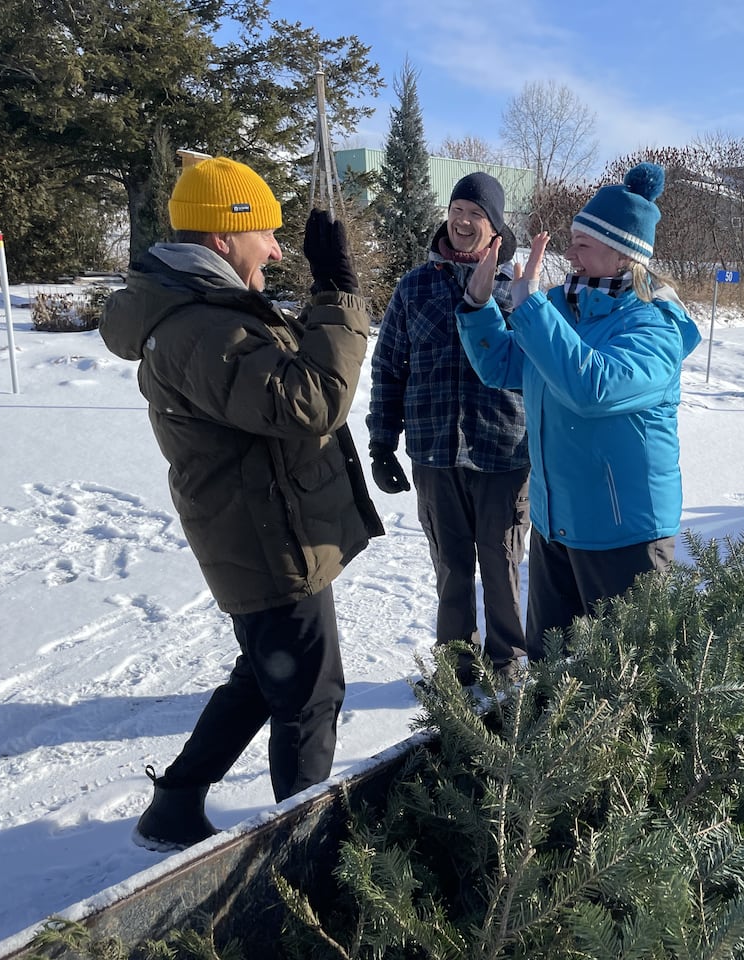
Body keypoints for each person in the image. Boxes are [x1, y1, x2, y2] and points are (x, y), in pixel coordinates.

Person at [99, 156, 383, 851]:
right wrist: (340, 295)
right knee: (309, 701)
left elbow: (287, 379)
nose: (277, 249)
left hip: (258, 532)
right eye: (265, 232)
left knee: (265, 676)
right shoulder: (199, 327)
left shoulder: (206, 308)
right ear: (223, 238)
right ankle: (309, 858)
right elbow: (309, 400)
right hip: (267, 543)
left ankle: (174, 808)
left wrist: (325, 296)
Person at [456, 162, 701, 662]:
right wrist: (479, 305)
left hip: (624, 535)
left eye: (584, 244)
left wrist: (532, 312)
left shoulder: (654, 328)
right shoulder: (563, 306)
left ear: (623, 255)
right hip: (556, 526)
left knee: (627, 682)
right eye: (571, 240)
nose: (570, 253)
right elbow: (505, 366)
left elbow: (593, 388)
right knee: (555, 682)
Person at [368, 172, 529, 686]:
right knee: (452, 571)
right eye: (457, 208)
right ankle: (458, 669)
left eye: (476, 214)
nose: (462, 220)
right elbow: (390, 367)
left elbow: (545, 370)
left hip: (504, 450)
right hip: (435, 452)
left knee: (502, 568)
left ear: (495, 228)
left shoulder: (518, 289)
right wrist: (380, 441)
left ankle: (507, 667)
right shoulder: (415, 287)